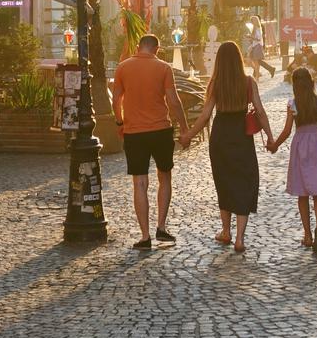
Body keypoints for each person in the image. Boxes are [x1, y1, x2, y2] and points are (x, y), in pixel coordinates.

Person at [182, 41, 273, 253]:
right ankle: (240, 239)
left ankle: (226, 231)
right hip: (241, 135)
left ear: (220, 62)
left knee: (224, 183)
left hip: (221, 136)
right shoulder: (249, 82)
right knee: (243, 182)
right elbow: (260, 111)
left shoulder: (216, 84)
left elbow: (205, 116)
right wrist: (270, 137)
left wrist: (188, 136)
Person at [111, 34, 190, 250]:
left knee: (140, 183)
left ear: (138, 47)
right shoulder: (164, 68)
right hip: (160, 130)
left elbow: (116, 98)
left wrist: (120, 122)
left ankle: (145, 236)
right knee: (164, 177)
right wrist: (184, 128)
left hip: (134, 132)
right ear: (157, 48)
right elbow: (173, 101)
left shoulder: (123, 68)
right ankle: (161, 227)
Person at [269, 67, 317, 253]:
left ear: (295, 85)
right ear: (312, 82)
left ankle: (308, 235)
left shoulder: (293, 105)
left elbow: (287, 131)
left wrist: (275, 145)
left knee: (302, 193)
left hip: (300, 146)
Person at [247, 15, 276, 80]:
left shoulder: (257, 28)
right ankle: (268, 70)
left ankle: (257, 76)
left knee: (257, 62)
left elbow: (259, 39)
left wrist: (251, 37)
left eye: (252, 21)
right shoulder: (255, 28)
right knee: (257, 62)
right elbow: (254, 39)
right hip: (255, 46)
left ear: (255, 21)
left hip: (257, 46)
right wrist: (249, 38)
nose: (251, 22)